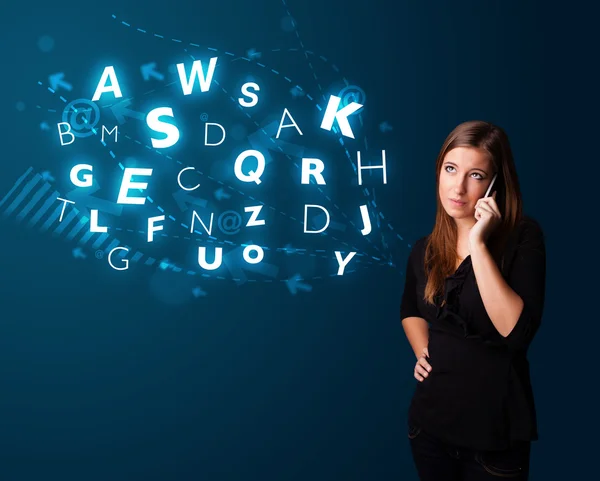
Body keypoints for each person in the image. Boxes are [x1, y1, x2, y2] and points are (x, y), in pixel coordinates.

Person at [400, 120, 546, 480]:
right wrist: (422, 352)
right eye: (451, 169)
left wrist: (479, 244)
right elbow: (410, 309)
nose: (459, 187)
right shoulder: (426, 248)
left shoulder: (523, 237)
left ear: (496, 184)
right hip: (429, 427)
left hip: (493, 437)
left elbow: (515, 332)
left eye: (476, 175)